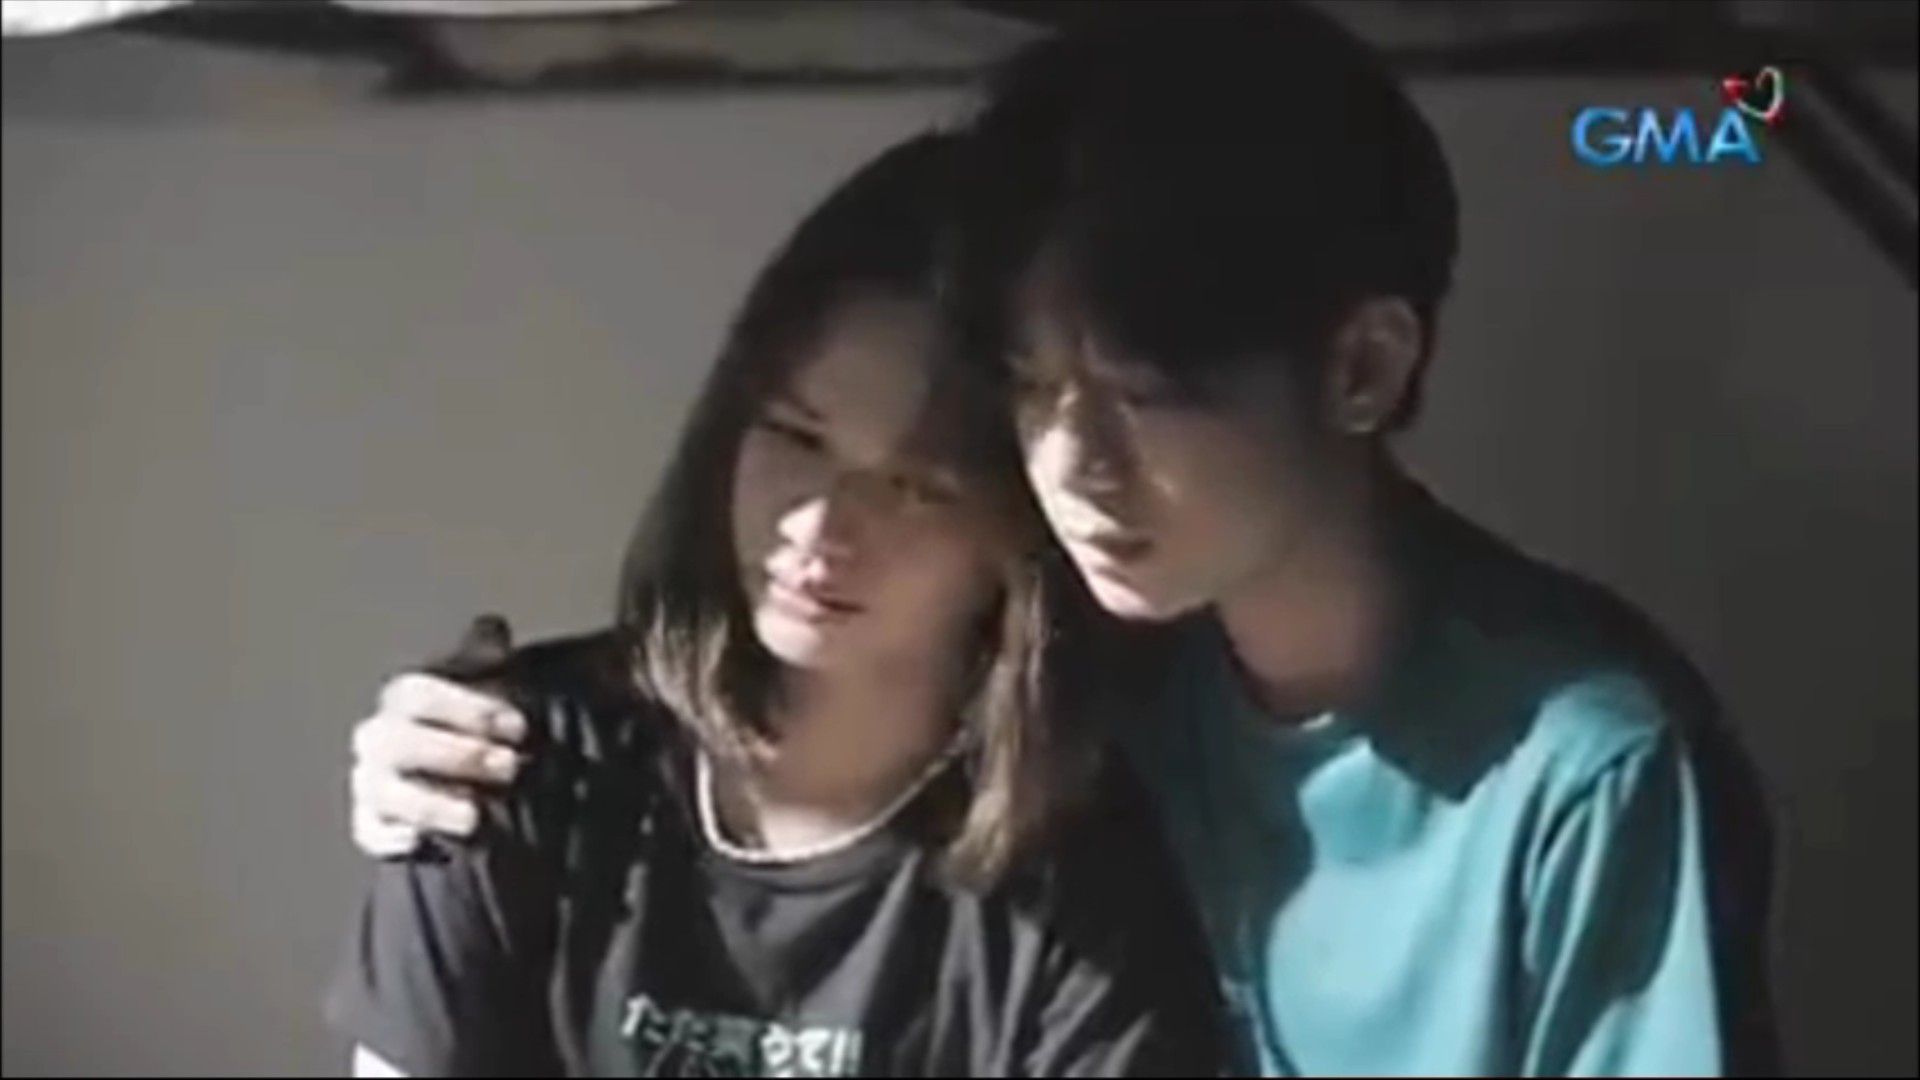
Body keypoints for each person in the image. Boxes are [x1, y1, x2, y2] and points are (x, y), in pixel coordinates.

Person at [349, 7, 1780, 1076]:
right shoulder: (1102, 674)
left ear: (1362, 368)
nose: (1073, 468)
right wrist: (441, 755)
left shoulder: (1583, 763)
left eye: (1142, 395)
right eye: (1034, 392)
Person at [325, 132, 1225, 1078]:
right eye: (797, 435)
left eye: (916, 486)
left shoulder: (1089, 879)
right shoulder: (516, 756)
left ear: (1023, 529)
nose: (821, 524)